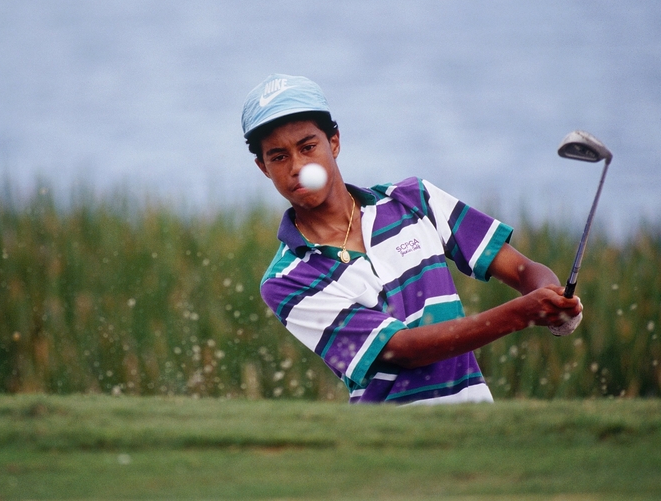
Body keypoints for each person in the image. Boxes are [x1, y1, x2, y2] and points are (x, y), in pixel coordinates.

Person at [241, 74, 583, 405]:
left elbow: (522, 269)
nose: (298, 166)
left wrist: (551, 299)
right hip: (388, 441)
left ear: (334, 142)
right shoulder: (285, 280)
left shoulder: (415, 200)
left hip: (477, 421)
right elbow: (400, 349)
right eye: (279, 156)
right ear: (263, 167)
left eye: (308, 146)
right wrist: (521, 314)